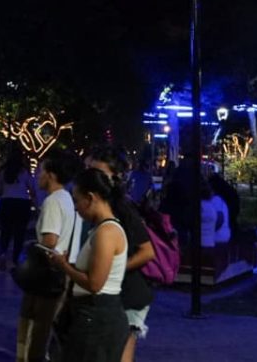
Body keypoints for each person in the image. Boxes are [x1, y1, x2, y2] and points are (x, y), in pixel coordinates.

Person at [47, 168, 130, 362]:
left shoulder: (107, 232)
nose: (76, 208)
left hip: (97, 315)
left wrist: (64, 266)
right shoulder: (100, 230)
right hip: (92, 313)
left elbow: (95, 284)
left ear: (90, 198)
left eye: (77, 201)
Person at [84, 147, 157, 362]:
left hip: (130, 295)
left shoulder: (122, 209)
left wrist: (113, 269)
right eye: (88, 171)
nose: (92, 178)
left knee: (121, 353)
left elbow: (147, 251)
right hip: (111, 296)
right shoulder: (95, 207)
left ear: (114, 177)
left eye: (98, 173)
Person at [16, 152, 78, 362]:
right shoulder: (67, 198)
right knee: (46, 324)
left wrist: (33, 248)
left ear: (51, 175)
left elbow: (50, 239)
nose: (37, 176)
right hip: (58, 271)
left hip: (45, 272)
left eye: (41, 171)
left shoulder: (52, 201)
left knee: (35, 325)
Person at [0, 145, 36, 270]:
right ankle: (16, 258)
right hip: (22, 203)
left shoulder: (3, 171)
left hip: (7, 201)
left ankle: (3, 253)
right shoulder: (24, 171)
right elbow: (32, 188)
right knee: (20, 232)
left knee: (5, 230)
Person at [199, 181, 231, 248]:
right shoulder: (216, 200)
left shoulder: (215, 200)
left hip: (218, 237)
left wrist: (209, 231)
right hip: (219, 236)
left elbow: (220, 219)